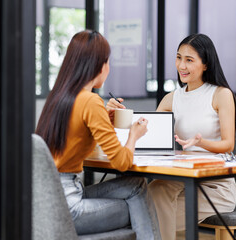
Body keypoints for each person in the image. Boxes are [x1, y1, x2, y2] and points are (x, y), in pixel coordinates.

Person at [106, 33, 236, 240]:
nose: (181, 66)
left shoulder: (221, 94)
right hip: (182, 180)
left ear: (205, 64)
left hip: (214, 185)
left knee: (143, 216)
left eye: (189, 60)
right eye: (179, 58)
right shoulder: (171, 99)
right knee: (154, 193)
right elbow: (148, 136)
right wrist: (116, 116)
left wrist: (200, 142)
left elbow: (228, 144)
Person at [35, 30, 161, 240]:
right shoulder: (90, 101)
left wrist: (104, 118)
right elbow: (122, 162)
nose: (108, 68)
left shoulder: (58, 97)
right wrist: (133, 135)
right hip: (70, 208)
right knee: (136, 203)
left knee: (135, 185)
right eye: (107, 62)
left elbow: (75, 139)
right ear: (98, 65)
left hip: (47, 203)